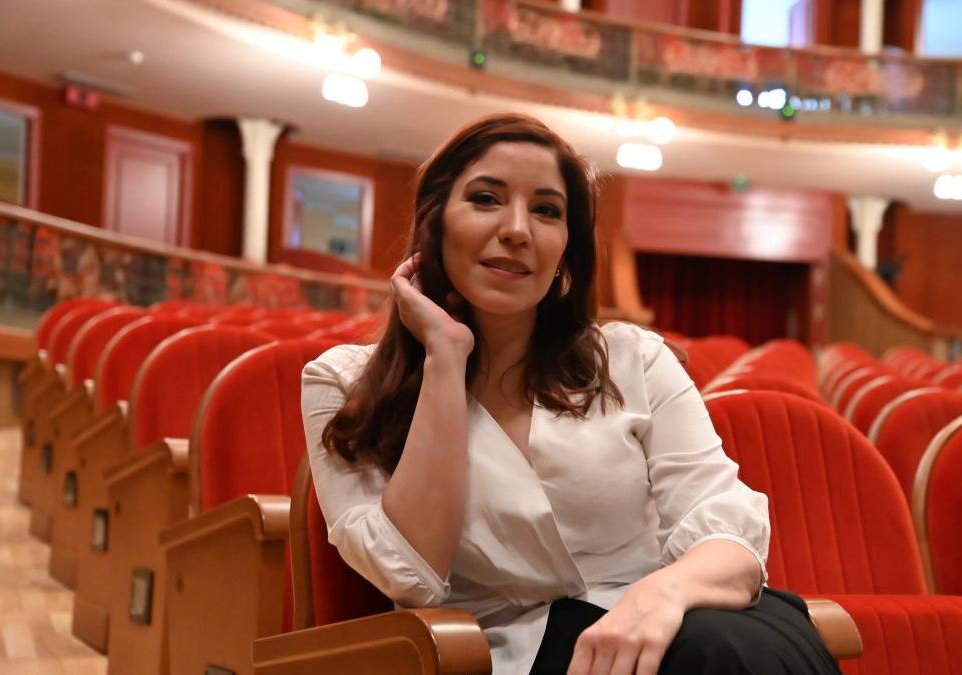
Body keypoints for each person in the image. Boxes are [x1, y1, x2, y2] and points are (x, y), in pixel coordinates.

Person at [301, 113, 838, 675]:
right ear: (434, 224)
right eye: (486, 199)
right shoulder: (340, 384)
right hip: (507, 655)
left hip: (671, 622)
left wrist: (660, 597)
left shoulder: (635, 359)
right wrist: (444, 355)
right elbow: (411, 574)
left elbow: (726, 526)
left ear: (566, 249)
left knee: (735, 645)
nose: (517, 229)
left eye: (546, 210)